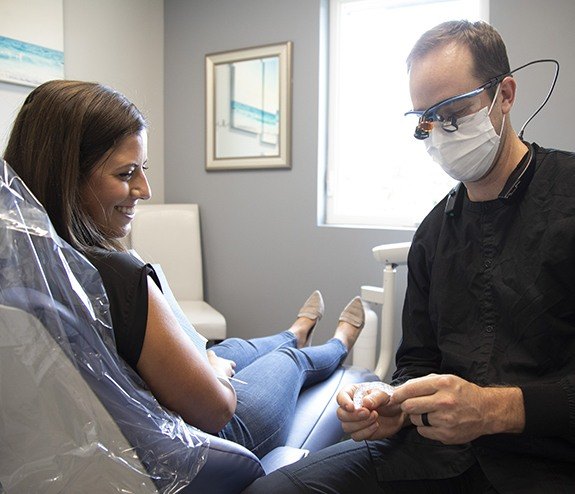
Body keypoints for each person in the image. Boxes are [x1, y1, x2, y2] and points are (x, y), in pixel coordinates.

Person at [243, 20, 575, 493]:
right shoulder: (435, 232)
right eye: (426, 119)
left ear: (505, 95)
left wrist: (497, 409)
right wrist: (394, 405)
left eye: (454, 112)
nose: (440, 133)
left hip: (549, 459)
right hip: (438, 454)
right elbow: (418, 360)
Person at [3, 79, 366, 459]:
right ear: (67, 176)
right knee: (286, 363)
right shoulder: (117, 276)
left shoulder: (24, 263)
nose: (145, 189)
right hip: (211, 440)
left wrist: (211, 360)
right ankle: (338, 342)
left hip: (115, 436)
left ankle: (295, 330)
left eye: (142, 168)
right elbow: (217, 410)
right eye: (126, 174)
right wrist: (211, 370)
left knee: (233, 348)